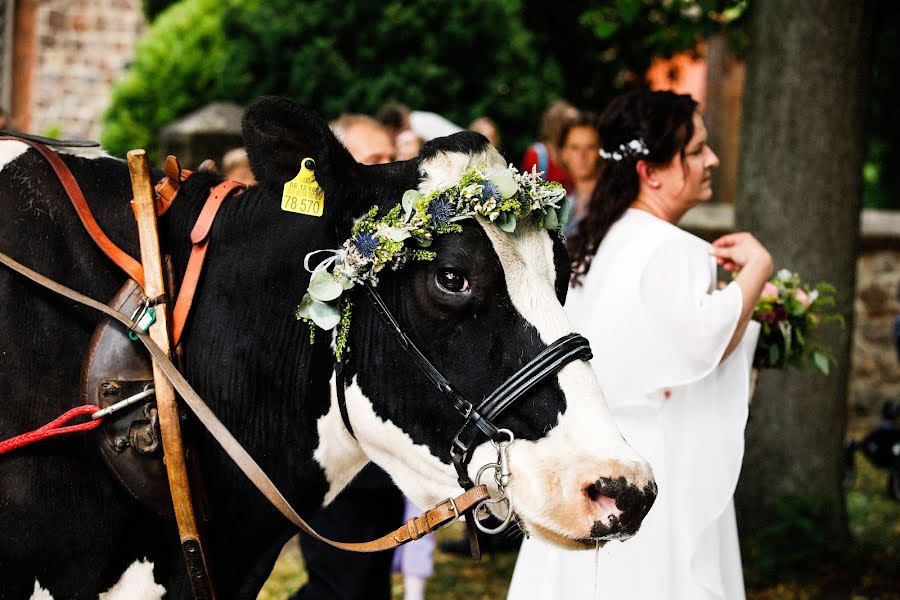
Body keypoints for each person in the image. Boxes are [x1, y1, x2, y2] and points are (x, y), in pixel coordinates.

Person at [508, 90, 772, 600]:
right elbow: (706, 344)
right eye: (696, 151)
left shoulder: (593, 243)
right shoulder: (675, 249)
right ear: (651, 171)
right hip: (652, 463)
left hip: (583, 457)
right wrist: (757, 272)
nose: (711, 160)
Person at [291, 114, 401, 600]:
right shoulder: (314, 240)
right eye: (376, 159)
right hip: (331, 446)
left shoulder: (401, 239)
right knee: (340, 589)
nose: (392, 168)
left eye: (393, 155)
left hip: (385, 454)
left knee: (371, 586)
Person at [557, 112, 601, 236]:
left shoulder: (612, 204)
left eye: (590, 147)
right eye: (574, 147)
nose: (582, 155)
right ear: (564, 153)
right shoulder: (563, 206)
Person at [520, 100, 578, 189]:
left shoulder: (580, 153)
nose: (577, 127)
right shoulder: (537, 155)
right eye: (570, 123)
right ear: (554, 125)